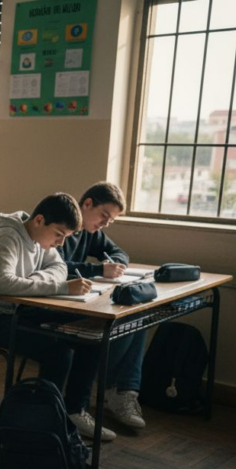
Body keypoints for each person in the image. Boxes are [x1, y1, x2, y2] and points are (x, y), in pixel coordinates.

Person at [0, 192, 102, 428]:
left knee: (90, 333)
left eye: (65, 237)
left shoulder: (39, 238)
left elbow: (59, 266)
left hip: (21, 310)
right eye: (59, 235)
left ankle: (74, 410)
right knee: (58, 352)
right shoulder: (7, 238)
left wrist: (36, 278)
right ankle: (44, 422)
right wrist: (60, 287)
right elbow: (3, 285)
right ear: (39, 220)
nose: (60, 243)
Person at [58, 182, 146, 438]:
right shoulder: (60, 222)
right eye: (104, 216)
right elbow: (57, 265)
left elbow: (119, 252)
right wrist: (98, 270)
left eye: (111, 221)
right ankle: (102, 390)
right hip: (54, 304)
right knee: (109, 324)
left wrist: (113, 262)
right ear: (87, 204)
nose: (105, 224)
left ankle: (122, 391)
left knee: (136, 314)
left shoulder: (91, 232)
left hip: (76, 300)